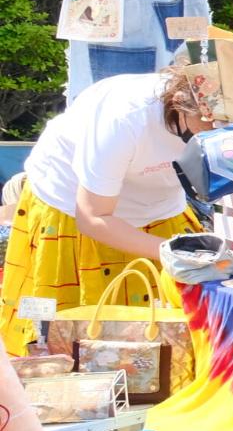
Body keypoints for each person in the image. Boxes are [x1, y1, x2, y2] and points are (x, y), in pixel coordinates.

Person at [1, 68, 210, 355]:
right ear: (179, 104)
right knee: (78, 332)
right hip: (73, 205)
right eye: (210, 121)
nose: (218, 129)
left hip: (158, 206)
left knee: (166, 332)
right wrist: (173, 252)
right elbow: (93, 217)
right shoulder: (125, 117)